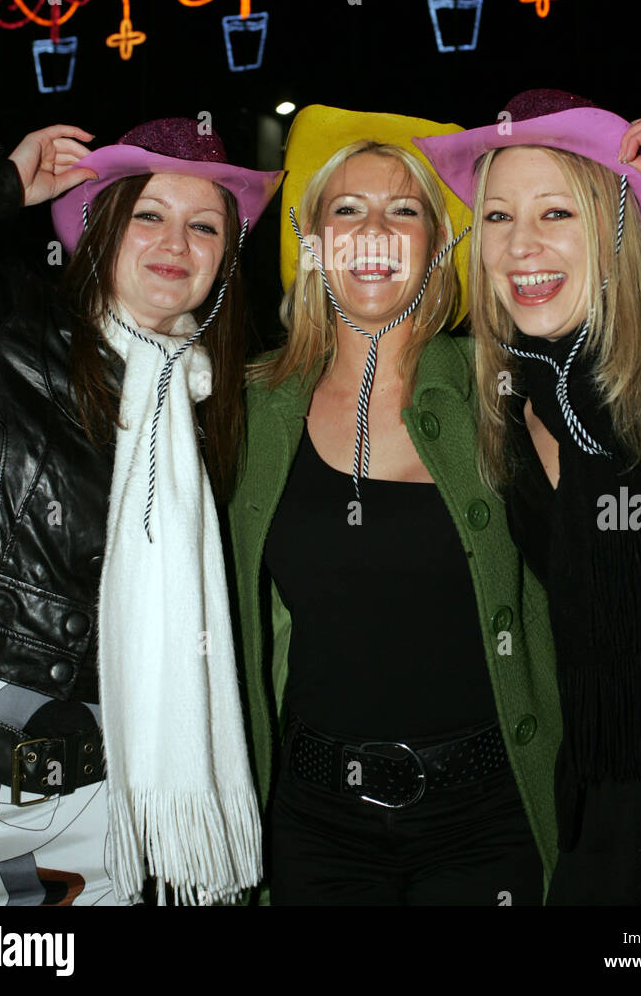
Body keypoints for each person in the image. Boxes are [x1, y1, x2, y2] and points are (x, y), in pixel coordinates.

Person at [416, 89, 641, 905]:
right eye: (500, 216)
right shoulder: (516, 400)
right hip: (611, 806)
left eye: (556, 213)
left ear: (619, 227)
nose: (519, 246)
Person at [0, 117, 281, 906]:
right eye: (147, 215)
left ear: (226, 259)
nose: (175, 244)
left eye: (204, 226)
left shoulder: (226, 409)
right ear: (98, 231)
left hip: (99, 808)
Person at [227, 104, 562, 906]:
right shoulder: (244, 410)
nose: (373, 230)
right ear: (311, 245)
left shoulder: (509, 385)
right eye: (346, 209)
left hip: (487, 820)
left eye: (403, 210)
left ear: (440, 246)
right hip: (310, 822)